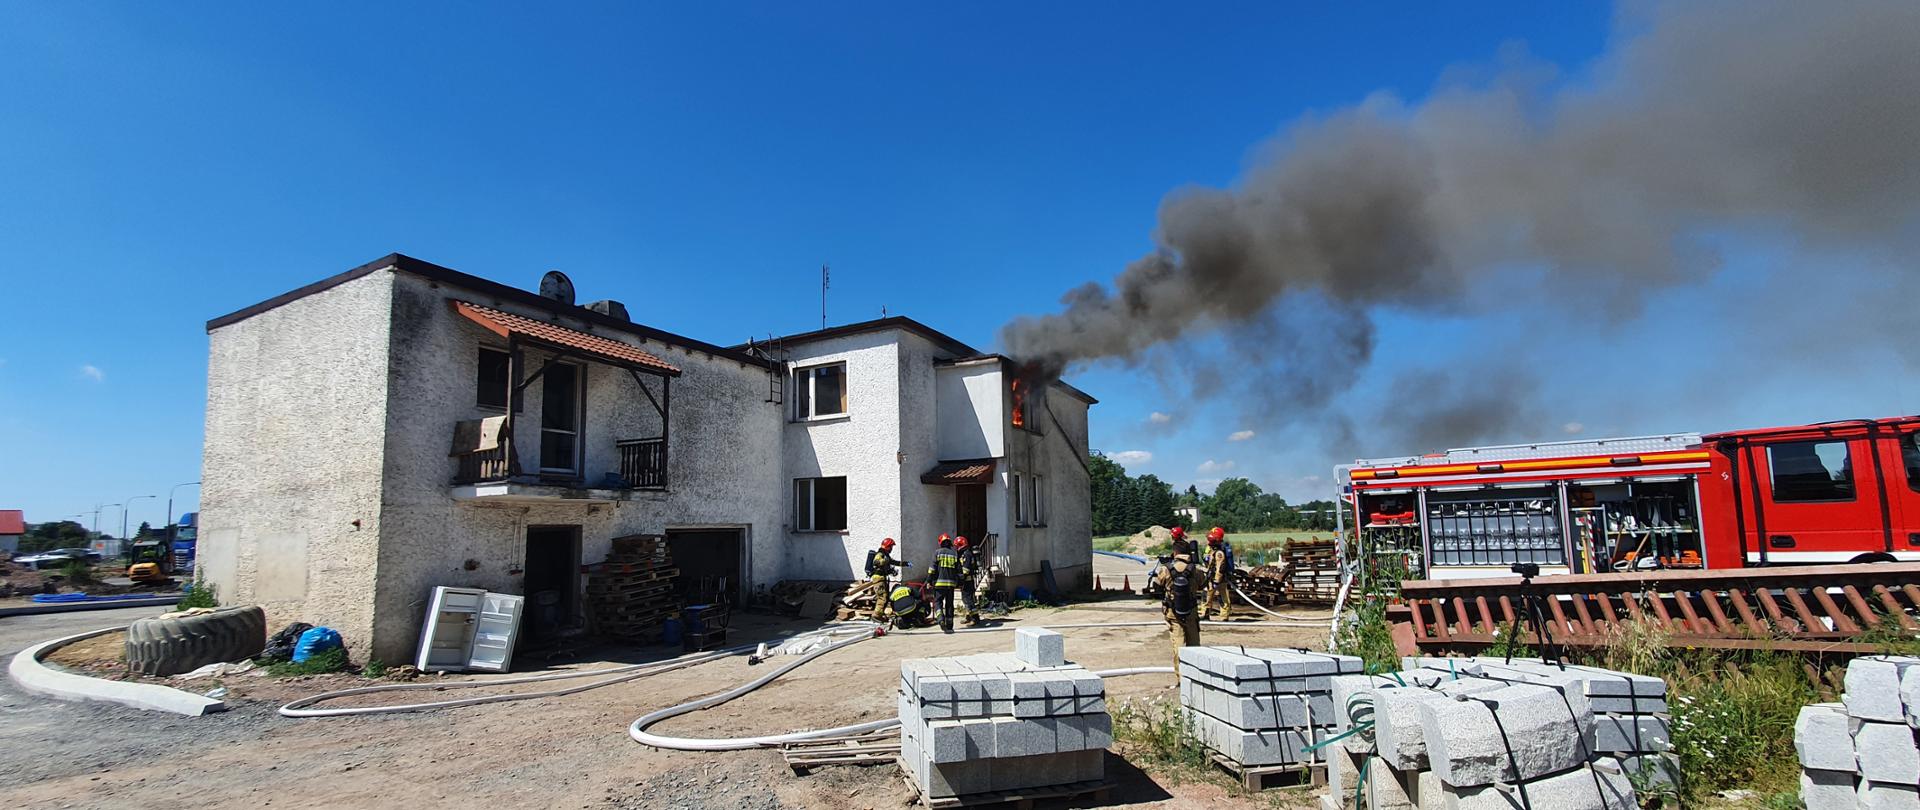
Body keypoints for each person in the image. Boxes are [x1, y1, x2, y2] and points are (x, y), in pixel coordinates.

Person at [1158, 535, 1201, 676]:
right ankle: (1196, 677)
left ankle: (1181, 679)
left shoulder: (1166, 569)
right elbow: (1203, 582)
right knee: (1194, 646)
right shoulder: (1194, 569)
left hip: (1173, 613)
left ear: (1175, 552)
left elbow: (1159, 583)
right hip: (1192, 612)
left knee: (1179, 646)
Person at [927, 534, 962, 633]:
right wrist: (960, 582)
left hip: (939, 584)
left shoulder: (937, 553)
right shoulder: (954, 554)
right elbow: (959, 571)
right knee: (949, 604)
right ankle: (950, 624)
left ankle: (940, 619)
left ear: (940, 543)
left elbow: (932, 569)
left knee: (938, 602)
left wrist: (929, 580)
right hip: (950, 585)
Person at [864, 537, 904, 621]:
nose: (891, 549)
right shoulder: (880, 554)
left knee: (885, 597)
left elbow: (894, 562)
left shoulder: (885, 555)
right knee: (882, 597)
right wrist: (885, 561)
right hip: (878, 579)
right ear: (887, 546)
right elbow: (876, 561)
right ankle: (876, 616)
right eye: (891, 547)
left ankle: (880, 615)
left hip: (882, 578)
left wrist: (905, 564)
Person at [1201, 526, 1233, 622]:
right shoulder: (1214, 550)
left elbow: (1220, 568)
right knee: (1206, 596)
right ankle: (1205, 614)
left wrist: (1216, 580)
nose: (1209, 542)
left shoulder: (1219, 553)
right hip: (1211, 578)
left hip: (1218, 579)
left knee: (1223, 597)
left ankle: (1224, 616)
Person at [954, 536, 981, 625]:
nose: (956, 548)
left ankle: (975, 618)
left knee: (969, 600)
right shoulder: (964, 553)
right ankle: (969, 616)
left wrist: (960, 580)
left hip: (968, 581)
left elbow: (965, 570)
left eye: (957, 546)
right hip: (966, 581)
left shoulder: (967, 554)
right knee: (965, 600)